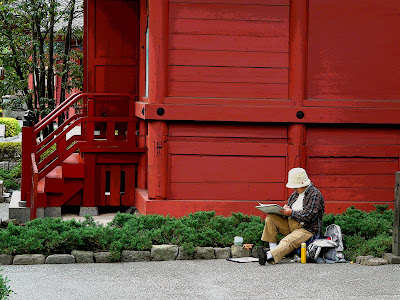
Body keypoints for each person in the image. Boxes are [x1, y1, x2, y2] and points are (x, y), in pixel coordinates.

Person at [257, 167, 325, 265]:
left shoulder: (315, 194)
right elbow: (290, 208)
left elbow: (309, 215)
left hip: (307, 229)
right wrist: (284, 209)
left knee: (288, 241)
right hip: (291, 223)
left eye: (296, 187)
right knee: (271, 218)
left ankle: (268, 255)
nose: (294, 189)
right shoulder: (295, 194)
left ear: (303, 184)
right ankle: (273, 250)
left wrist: (291, 213)